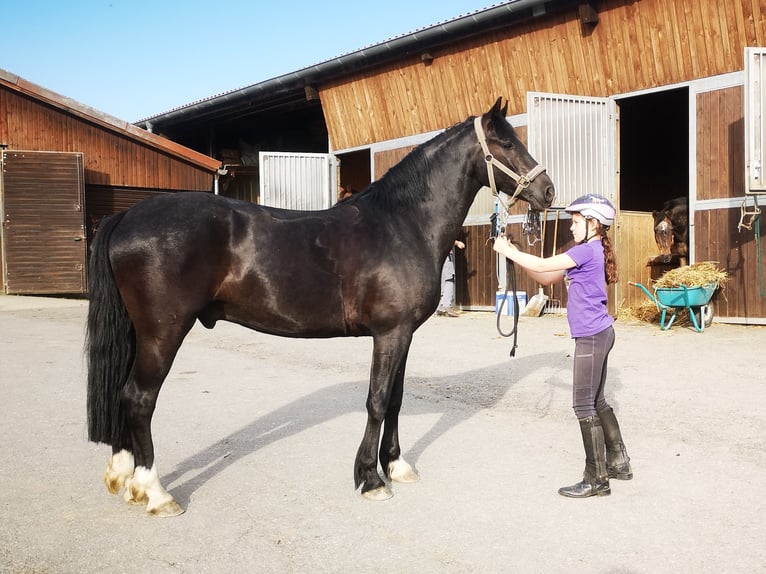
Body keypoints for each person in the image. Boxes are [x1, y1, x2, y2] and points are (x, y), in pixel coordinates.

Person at [493, 194, 632, 498]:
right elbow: (547, 276)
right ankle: (618, 462)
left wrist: (506, 249)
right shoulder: (588, 251)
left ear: (593, 224)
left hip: (592, 336)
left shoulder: (586, 251)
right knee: (597, 401)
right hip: (600, 333)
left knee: (583, 404)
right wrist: (514, 253)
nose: (571, 227)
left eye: (576, 221)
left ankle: (596, 479)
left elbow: (543, 263)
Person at [436, 239, 466, 317]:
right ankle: (446, 306)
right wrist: (457, 243)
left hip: (438, 257)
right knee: (449, 280)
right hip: (445, 257)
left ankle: (440, 307)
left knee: (442, 280)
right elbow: (446, 238)